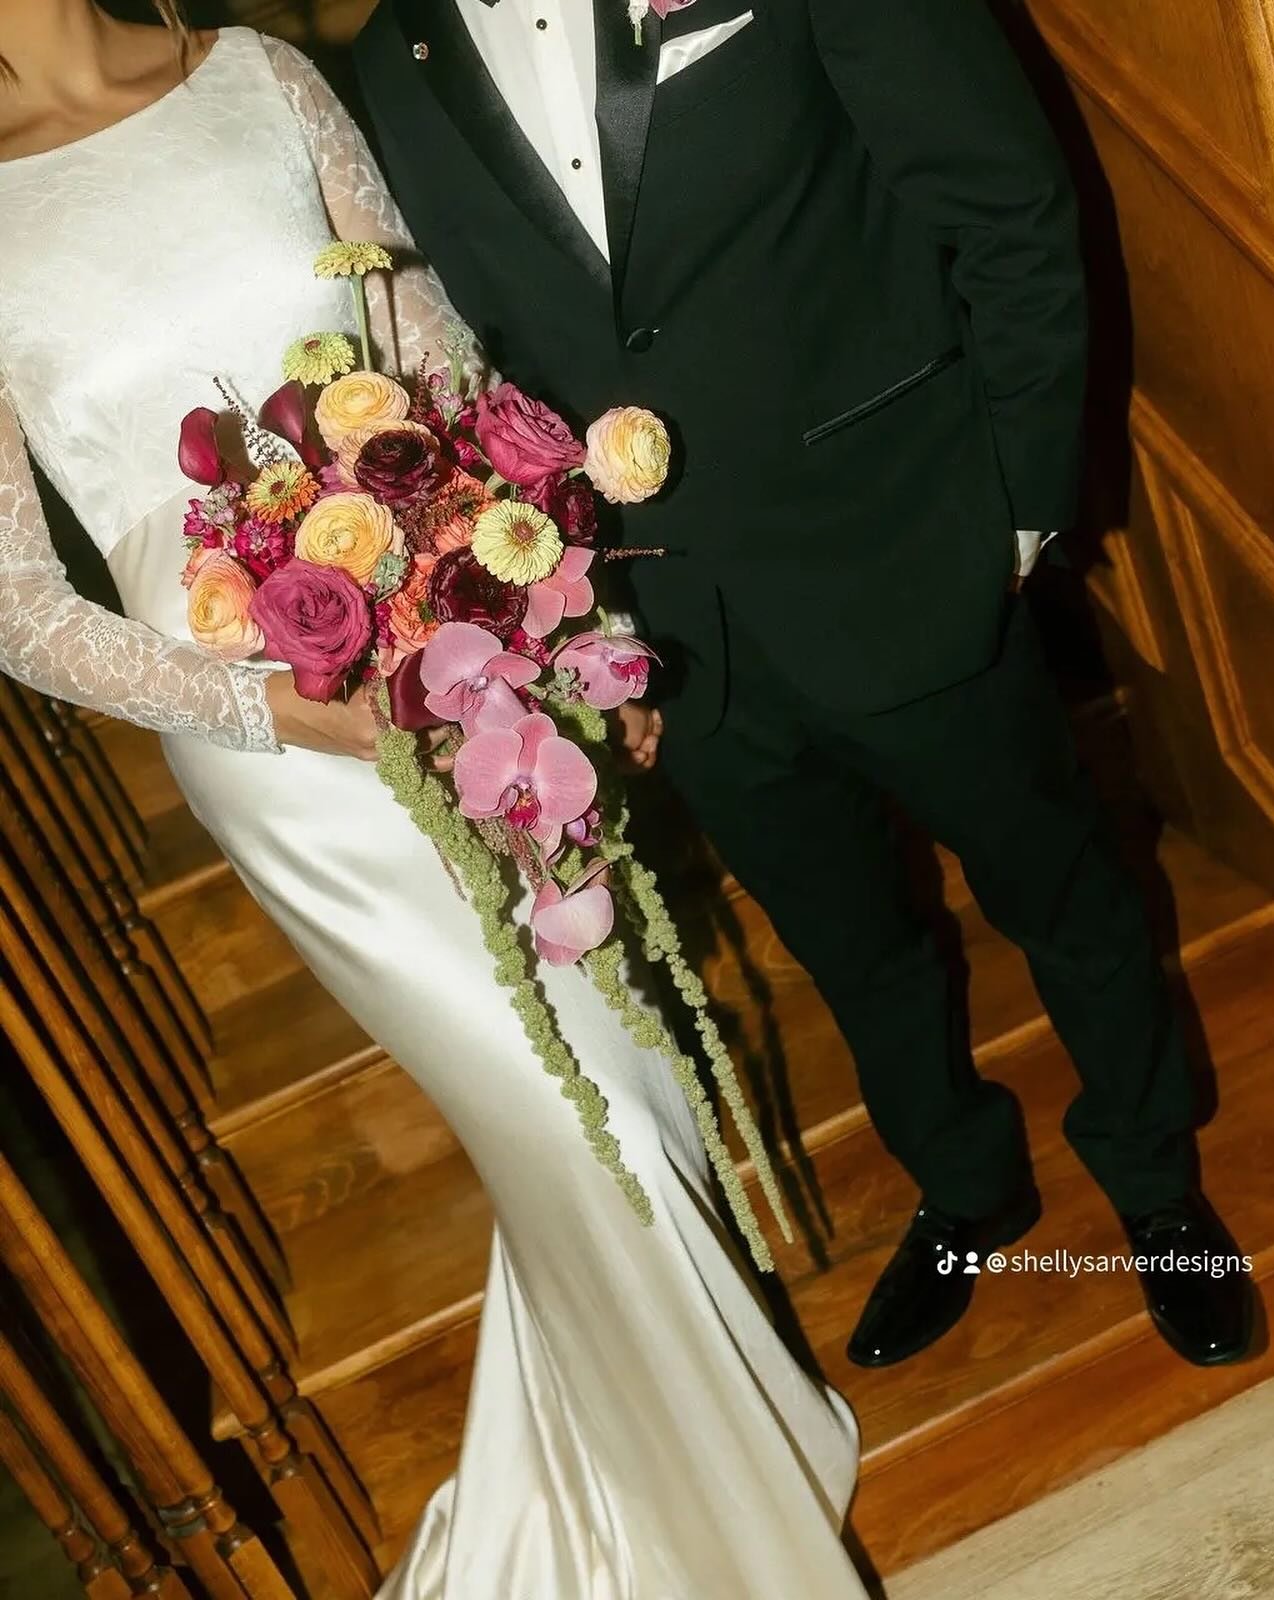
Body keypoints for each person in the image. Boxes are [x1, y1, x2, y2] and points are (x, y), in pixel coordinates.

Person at [0, 6, 874, 1596]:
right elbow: (17, 607)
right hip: (281, 746)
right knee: (558, 1103)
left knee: (621, 1057)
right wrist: (271, 708)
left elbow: (432, 351)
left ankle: (664, 1450)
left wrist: (540, 600)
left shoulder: (255, 72)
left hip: (471, 646)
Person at [354, 0, 1254, 1371]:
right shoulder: (392, 55)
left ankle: (1153, 1180)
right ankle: (965, 1189)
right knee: (850, 944)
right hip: (670, 618)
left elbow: (1008, 205)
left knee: (1059, 882)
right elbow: (489, 351)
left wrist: (1013, 513)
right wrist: (567, 628)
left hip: (905, 538)